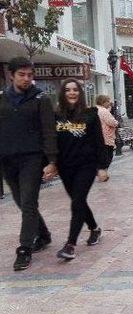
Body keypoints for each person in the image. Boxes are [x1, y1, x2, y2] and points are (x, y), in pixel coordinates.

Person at [0, 57, 58, 271]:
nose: (26, 79)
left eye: (30, 75)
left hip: (31, 159)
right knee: (20, 201)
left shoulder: (40, 99)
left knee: (28, 203)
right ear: (11, 75)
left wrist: (52, 160)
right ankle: (43, 234)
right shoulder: (2, 99)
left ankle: (24, 249)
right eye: (22, 75)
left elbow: (49, 130)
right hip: (7, 160)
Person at [54, 78, 110, 260]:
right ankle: (95, 228)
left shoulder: (90, 114)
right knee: (79, 202)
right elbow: (51, 141)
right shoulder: (56, 115)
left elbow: (99, 142)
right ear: (63, 93)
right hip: (65, 166)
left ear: (80, 93)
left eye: (75, 90)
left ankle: (70, 245)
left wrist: (102, 167)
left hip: (86, 166)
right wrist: (51, 163)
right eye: (68, 90)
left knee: (77, 201)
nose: (72, 93)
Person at [95, 95, 119, 169]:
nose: (109, 103)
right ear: (103, 102)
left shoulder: (95, 109)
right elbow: (112, 122)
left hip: (97, 137)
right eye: (108, 101)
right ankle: (102, 170)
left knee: (100, 155)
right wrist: (116, 122)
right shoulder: (104, 111)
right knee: (108, 156)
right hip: (106, 137)